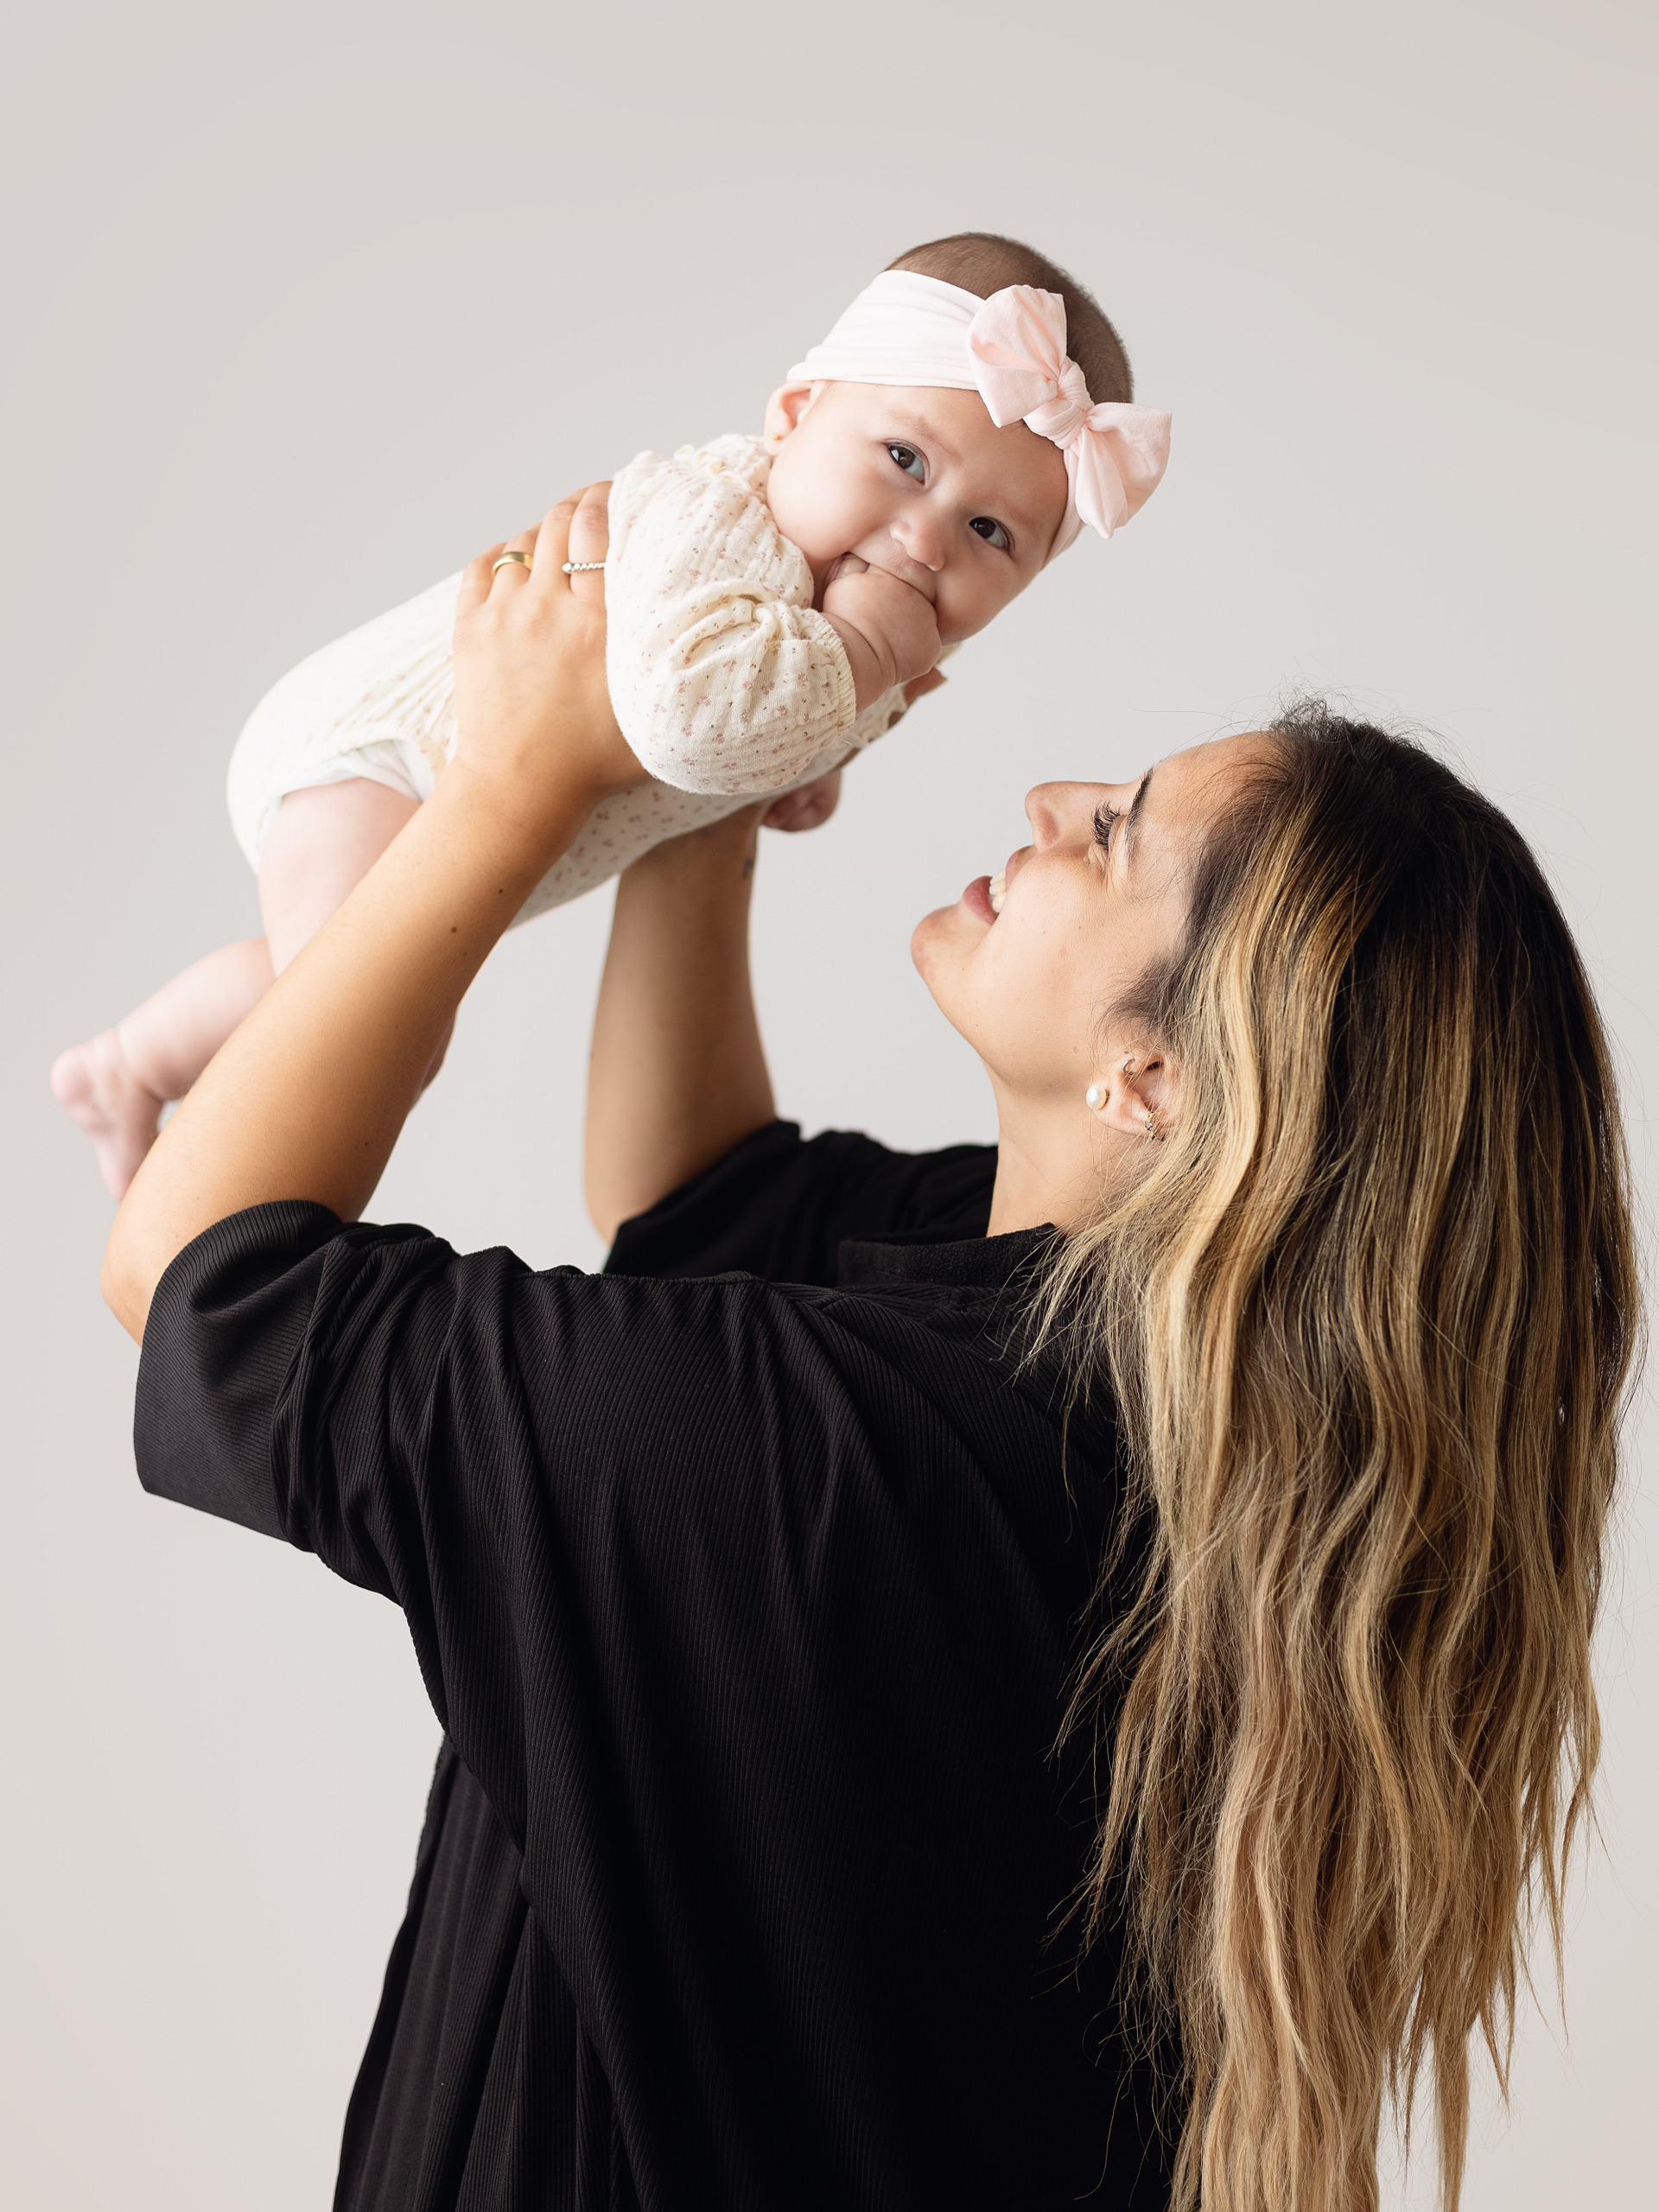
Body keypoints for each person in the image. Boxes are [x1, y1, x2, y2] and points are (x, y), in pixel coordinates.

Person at [105, 486, 1641, 2212]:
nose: (1055, 800)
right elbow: (703, 1200)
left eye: (1120, 828)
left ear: (1164, 1081)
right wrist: (699, 778)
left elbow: (199, 1280)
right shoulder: (1129, 1391)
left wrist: (507, 794)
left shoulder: (807, 1462)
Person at [52, 231, 1171, 1199]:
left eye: (991, 535)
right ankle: (169, 1128)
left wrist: (814, 759)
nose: (925, 536)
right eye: (903, 458)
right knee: (363, 1022)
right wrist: (862, 660)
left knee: (355, 998)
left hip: (472, 807)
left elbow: (767, 728)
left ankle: (139, 1074)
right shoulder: (719, 520)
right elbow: (691, 723)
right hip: (376, 754)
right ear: (792, 416)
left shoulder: (863, 624)